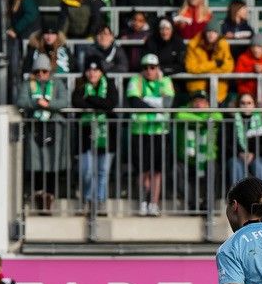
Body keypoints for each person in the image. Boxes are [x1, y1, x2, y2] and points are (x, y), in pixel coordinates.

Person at [18, 53, 69, 211]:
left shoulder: (57, 84)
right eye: (38, 71)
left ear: (50, 71)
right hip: (35, 127)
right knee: (36, 161)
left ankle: (50, 194)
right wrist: (36, 103)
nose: (41, 74)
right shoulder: (28, 84)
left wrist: (48, 104)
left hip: (53, 128)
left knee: (52, 162)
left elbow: (64, 101)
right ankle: (38, 193)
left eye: (44, 71)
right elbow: (20, 100)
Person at [126, 53, 174, 216]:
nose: (149, 71)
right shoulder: (136, 80)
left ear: (157, 68)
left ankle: (153, 203)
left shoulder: (165, 81)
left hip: (160, 131)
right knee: (143, 169)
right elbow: (134, 102)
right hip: (140, 130)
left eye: (152, 67)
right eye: (145, 67)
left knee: (156, 171)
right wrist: (157, 104)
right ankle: (143, 201)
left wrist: (145, 101)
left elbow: (167, 103)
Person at [74, 63, 118, 233]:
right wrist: (99, 104)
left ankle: (99, 201)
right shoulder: (80, 85)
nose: (92, 73)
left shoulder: (110, 85)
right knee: (87, 170)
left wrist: (90, 101)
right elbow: (76, 101)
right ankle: (86, 198)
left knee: (102, 171)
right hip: (86, 137)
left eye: (96, 70)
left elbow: (111, 103)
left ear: (101, 72)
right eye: (89, 70)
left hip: (106, 137)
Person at [176, 89, 221, 211]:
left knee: (213, 170)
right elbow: (180, 115)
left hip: (207, 157)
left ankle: (208, 205)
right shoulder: (183, 111)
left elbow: (218, 116)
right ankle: (192, 204)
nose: (199, 104)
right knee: (177, 171)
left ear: (207, 103)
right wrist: (203, 120)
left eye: (202, 101)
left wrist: (196, 119)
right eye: (196, 101)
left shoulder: (213, 113)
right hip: (187, 157)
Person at [229, 91, 262, 187]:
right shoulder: (231, 120)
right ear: (238, 105)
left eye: (249, 103)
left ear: (254, 105)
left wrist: (253, 153)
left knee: (258, 165)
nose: (246, 106)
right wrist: (240, 153)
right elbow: (227, 143)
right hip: (236, 156)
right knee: (236, 165)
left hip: (256, 156)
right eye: (243, 103)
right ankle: (238, 199)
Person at [232, 32, 262, 107]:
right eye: (253, 46)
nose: (255, 49)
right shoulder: (243, 58)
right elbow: (237, 78)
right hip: (246, 102)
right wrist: (252, 69)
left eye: (259, 47)